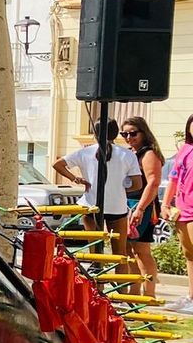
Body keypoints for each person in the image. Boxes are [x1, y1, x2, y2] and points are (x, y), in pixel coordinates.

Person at [53, 119, 142, 248]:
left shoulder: (84, 152)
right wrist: (119, 189)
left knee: (94, 251)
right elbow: (137, 184)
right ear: (116, 133)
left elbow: (57, 164)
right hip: (116, 207)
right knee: (119, 254)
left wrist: (75, 178)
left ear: (95, 133)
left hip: (90, 205)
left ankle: (96, 267)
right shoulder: (127, 155)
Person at [122, 118, 165, 299]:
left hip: (142, 206)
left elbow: (153, 182)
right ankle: (136, 292)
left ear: (143, 133)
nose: (129, 137)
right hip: (128, 204)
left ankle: (148, 294)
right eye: (124, 134)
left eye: (133, 133)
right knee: (129, 249)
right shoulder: (132, 153)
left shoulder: (148, 154)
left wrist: (139, 209)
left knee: (139, 250)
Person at [163, 115, 193, 312]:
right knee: (189, 254)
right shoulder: (185, 150)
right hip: (181, 210)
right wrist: (166, 204)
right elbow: (173, 179)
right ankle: (191, 297)